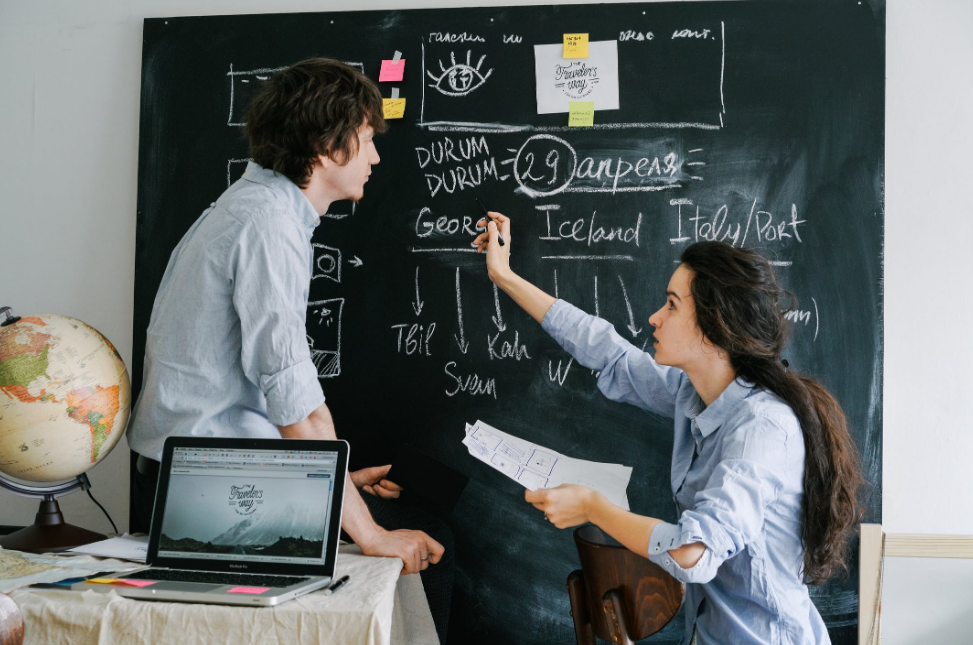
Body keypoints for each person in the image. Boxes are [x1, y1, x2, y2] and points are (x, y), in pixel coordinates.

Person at [128, 58, 453, 640]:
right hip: (206, 490)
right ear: (330, 146)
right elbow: (294, 405)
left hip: (207, 473)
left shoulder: (255, 210)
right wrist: (372, 537)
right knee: (420, 556)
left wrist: (336, 480)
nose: (376, 157)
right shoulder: (268, 226)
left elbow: (282, 397)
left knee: (407, 524)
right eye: (367, 139)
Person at [472, 212, 865, 645]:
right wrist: (504, 275)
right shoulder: (693, 394)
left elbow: (693, 554)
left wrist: (594, 508)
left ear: (717, 329)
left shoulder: (761, 429)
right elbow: (608, 354)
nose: (654, 318)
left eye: (672, 305)